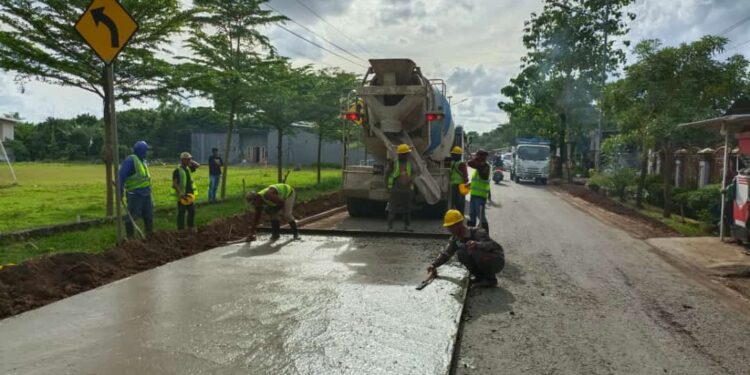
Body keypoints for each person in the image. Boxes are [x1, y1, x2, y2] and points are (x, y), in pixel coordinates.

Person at [427, 209, 505, 288]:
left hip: (496, 260)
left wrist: (478, 244)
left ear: (460, 224)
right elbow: (447, 253)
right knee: (461, 252)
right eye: (448, 226)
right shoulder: (455, 239)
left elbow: (493, 245)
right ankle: (480, 277)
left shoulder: (477, 232)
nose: (449, 229)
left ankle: (491, 279)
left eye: (451, 226)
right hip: (484, 259)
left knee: (473, 250)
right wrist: (434, 265)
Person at [119, 141, 154, 238]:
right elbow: (121, 176)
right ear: (142, 151)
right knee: (133, 216)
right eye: (146, 150)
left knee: (149, 216)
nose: (147, 152)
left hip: (146, 194)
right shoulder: (130, 160)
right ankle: (131, 238)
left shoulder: (143, 161)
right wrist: (120, 190)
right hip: (135, 194)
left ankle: (149, 236)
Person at [385, 144, 415, 232]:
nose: (407, 155)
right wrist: (388, 187)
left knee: (407, 209)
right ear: (401, 154)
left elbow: (412, 175)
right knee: (392, 209)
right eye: (405, 154)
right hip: (395, 190)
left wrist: (411, 188)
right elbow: (387, 175)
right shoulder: (393, 163)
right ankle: (390, 227)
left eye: (407, 154)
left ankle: (407, 226)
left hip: (407, 190)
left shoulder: (409, 164)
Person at [173, 152, 200, 231]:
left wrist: (191, 161)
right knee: (182, 212)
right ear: (182, 160)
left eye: (189, 159)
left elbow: (198, 165)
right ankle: (180, 229)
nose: (189, 161)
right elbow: (174, 183)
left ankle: (190, 227)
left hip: (189, 194)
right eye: (187, 159)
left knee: (192, 211)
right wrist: (180, 192)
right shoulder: (177, 170)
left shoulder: (188, 169)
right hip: (182, 195)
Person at [467, 149, 491, 232]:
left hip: (480, 196)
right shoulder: (480, 165)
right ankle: (470, 234)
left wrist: (476, 159)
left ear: (482, 157)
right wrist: (470, 184)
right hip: (474, 194)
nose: (476, 157)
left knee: (480, 216)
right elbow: (477, 180)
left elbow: (470, 163)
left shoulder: (485, 166)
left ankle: (485, 235)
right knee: (471, 215)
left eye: (478, 155)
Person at [449, 146, 469, 215]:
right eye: (452, 154)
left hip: (459, 185)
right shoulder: (455, 163)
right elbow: (465, 176)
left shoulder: (460, 164)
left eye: (454, 154)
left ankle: (459, 215)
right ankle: (457, 215)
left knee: (457, 202)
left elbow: (465, 175)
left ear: (458, 155)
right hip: (458, 185)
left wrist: (465, 183)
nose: (452, 155)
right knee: (458, 202)